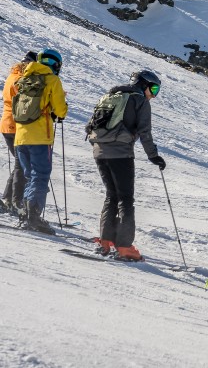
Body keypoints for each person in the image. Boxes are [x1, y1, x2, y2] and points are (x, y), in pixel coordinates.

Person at [85, 69, 167, 260]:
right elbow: (145, 132)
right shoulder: (139, 100)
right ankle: (124, 247)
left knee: (111, 196)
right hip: (120, 153)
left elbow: (91, 125)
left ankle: (106, 241)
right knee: (125, 199)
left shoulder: (111, 96)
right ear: (143, 85)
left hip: (99, 151)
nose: (153, 95)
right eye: (153, 89)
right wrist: (154, 156)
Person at [13, 48, 68, 234]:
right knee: (40, 175)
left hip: (20, 136)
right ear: (56, 65)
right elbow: (61, 110)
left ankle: (27, 215)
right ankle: (33, 217)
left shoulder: (24, 78)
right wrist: (58, 109)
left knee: (30, 175)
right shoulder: (52, 80)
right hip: (39, 137)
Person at [1, 52, 35, 216]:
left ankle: (9, 199)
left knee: (20, 164)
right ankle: (14, 201)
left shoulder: (13, 75)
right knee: (22, 164)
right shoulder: (21, 78)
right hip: (16, 125)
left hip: (8, 125)